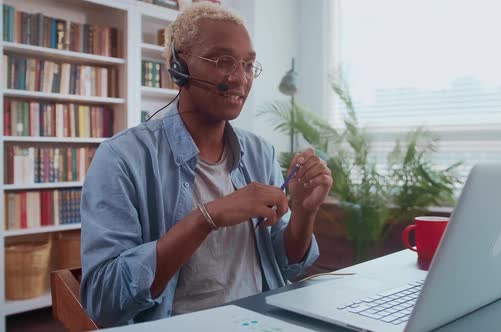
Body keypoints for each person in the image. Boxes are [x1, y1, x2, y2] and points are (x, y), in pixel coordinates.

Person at [80, 3, 332, 327]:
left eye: (248, 64)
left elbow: (286, 264)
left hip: (262, 321)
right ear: (178, 67)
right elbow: (104, 301)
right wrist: (207, 218)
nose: (240, 78)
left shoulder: (259, 152)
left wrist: (305, 211)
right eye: (223, 60)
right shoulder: (121, 159)